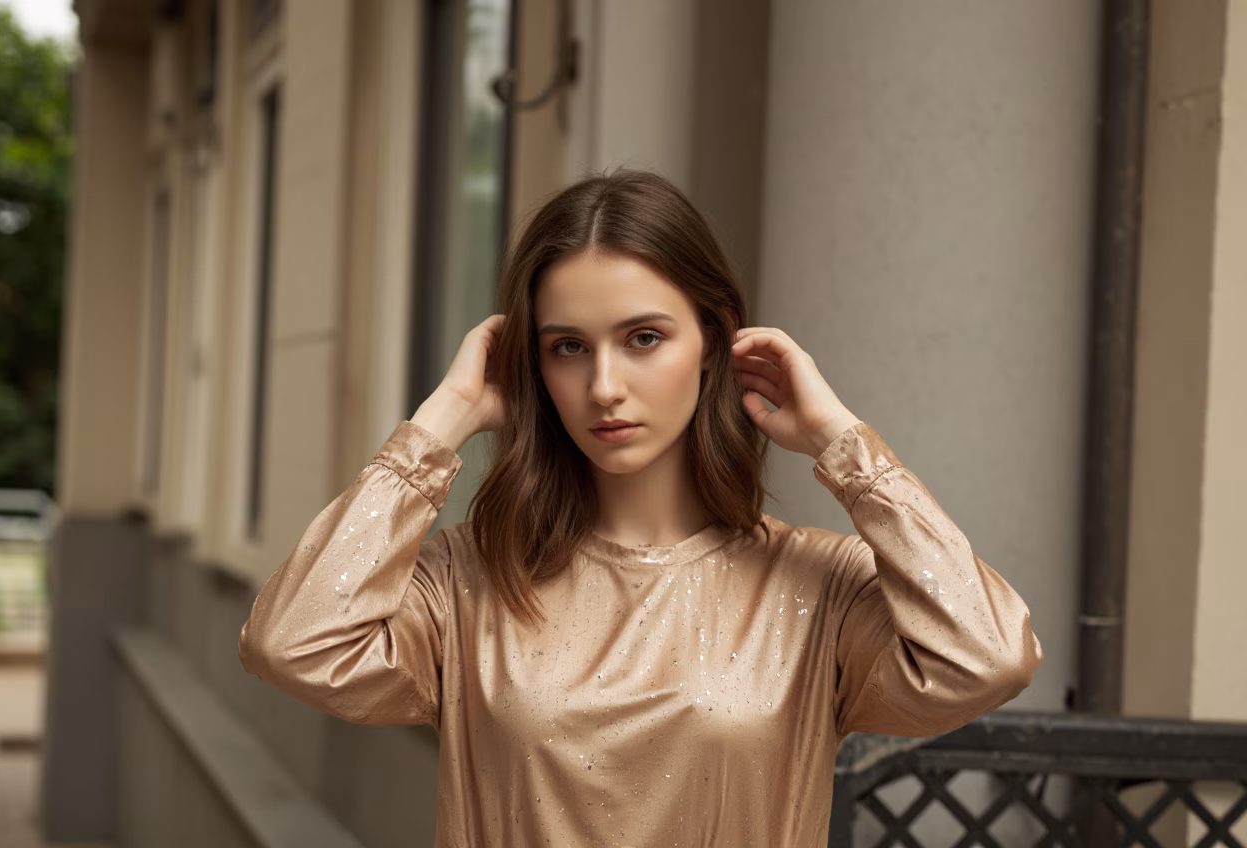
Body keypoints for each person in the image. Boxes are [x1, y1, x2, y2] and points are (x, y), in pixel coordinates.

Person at [238, 169, 1041, 847]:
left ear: (716, 338)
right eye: (568, 347)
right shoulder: (467, 580)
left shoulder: (818, 589)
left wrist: (846, 445)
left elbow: (988, 657)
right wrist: (439, 423)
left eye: (644, 338)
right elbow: (291, 644)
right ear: (532, 365)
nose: (605, 387)